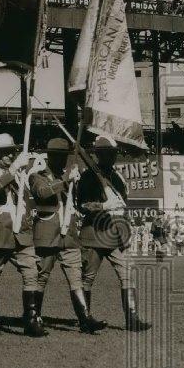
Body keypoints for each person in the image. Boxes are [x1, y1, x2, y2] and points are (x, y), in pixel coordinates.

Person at [30, 138, 106, 334]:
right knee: (41, 277)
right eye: (58, 156)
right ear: (50, 156)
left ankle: (84, 318)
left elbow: (79, 202)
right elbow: (42, 193)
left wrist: (77, 183)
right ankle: (34, 317)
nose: (62, 160)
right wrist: (65, 181)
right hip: (47, 235)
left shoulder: (71, 176)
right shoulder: (37, 175)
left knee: (76, 278)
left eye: (65, 157)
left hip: (69, 236)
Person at [76, 135, 150, 331]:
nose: (113, 157)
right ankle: (85, 319)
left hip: (116, 234)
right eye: (108, 153)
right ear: (99, 155)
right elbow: (81, 205)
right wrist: (102, 205)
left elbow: (121, 206)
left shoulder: (117, 177)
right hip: (95, 233)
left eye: (114, 153)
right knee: (87, 278)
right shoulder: (88, 176)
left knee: (127, 274)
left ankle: (132, 318)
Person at [0, 133, 44, 337]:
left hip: (20, 235)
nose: (9, 157)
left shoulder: (18, 175)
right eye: (5, 153)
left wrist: (32, 172)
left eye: (11, 153)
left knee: (31, 272)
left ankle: (30, 320)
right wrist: (14, 170)